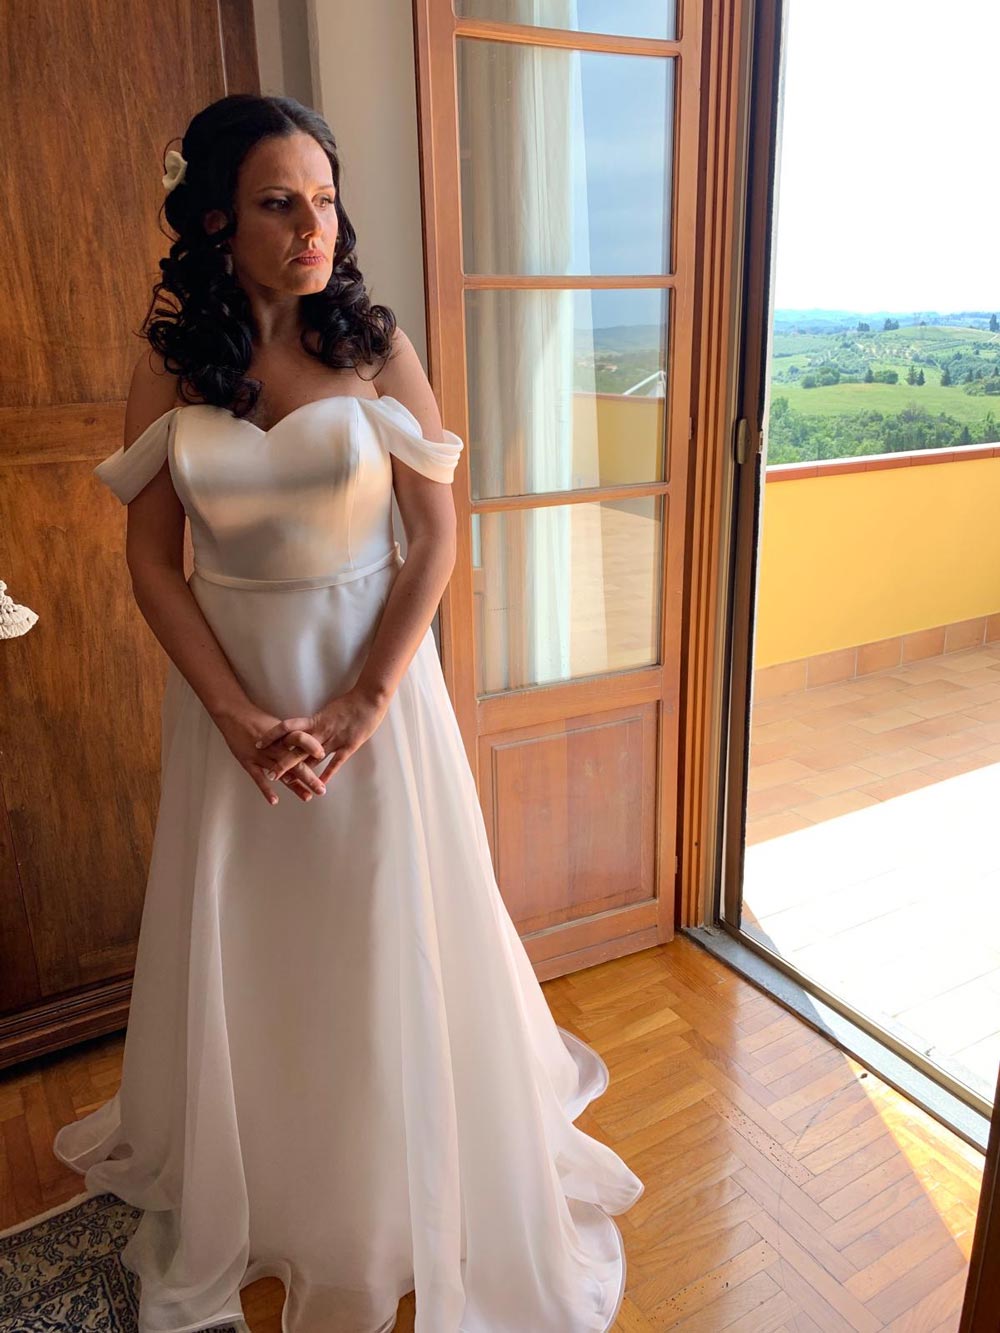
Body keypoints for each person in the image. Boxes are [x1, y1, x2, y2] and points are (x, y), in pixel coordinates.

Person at [53, 93, 643, 1333]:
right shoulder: (171, 363)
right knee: (255, 928)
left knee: (383, 922)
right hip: (232, 698)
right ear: (217, 219)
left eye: (323, 199)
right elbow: (153, 562)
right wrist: (232, 716)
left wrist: (369, 696)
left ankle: (389, 1180)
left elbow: (435, 536)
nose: (312, 227)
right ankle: (264, 1163)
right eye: (279, 203)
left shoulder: (374, 344)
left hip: (372, 692)